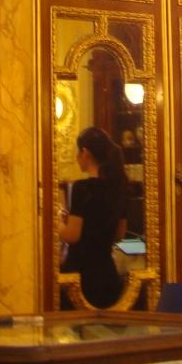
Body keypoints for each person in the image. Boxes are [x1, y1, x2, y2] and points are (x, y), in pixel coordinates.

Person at [58, 126, 128, 309]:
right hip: (107, 272)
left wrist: (56, 222)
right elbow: (119, 234)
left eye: (78, 152)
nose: (77, 157)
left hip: (81, 275)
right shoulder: (118, 187)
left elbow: (72, 235)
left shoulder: (83, 188)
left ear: (85, 153)